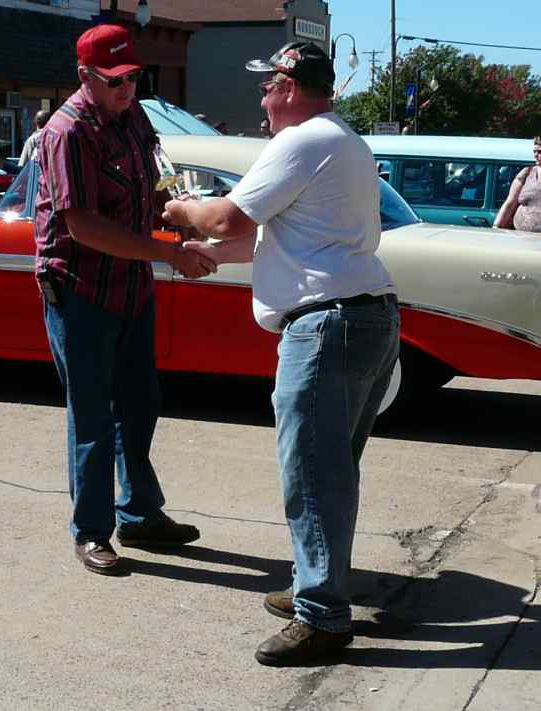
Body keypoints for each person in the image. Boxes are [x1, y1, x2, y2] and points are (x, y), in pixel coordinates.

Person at [163, 41, 400, 666]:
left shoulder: (301, 140)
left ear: (290, 87)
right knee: (331, 470)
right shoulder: (343, 140)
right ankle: (315, 585)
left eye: (268, 87)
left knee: (312, 475)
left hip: (327, 326)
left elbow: (226, 219)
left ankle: (321, 615)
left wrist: (181, 210)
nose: (263, 99)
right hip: (363, 316)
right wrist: (211, 255)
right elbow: (276, 237)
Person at [35, 24, 216, 576]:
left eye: (134, 76)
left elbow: (154, 186)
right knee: (92, 416)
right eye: (114, 80)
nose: (127, 88)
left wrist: (180, 217)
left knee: (139, 405)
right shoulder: (67, 132)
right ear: (84, 76)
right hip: (81, 290)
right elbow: (84, 226)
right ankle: (92, 532)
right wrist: (168, 253)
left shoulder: (134, 117)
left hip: (130, 285)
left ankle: (138, 514)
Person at [493, 137, 541, 231]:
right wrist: (496, 227)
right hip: (519, 234)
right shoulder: (527, 173)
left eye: (539, 152)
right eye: (534, 152)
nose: (536, 155)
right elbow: (510, 203)